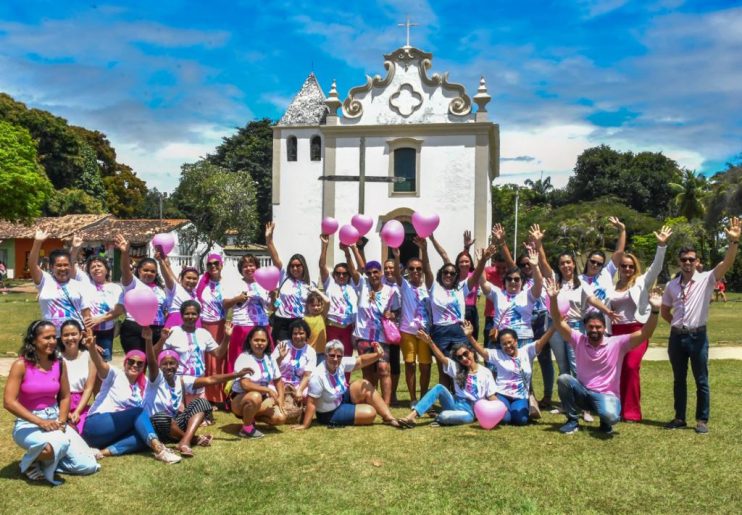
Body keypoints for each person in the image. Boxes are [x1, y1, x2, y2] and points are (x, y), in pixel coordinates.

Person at [546, 278, 662, 435]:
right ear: (585, 327)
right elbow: (559, 322)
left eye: (598, 327)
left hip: (606, 395)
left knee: (611, 416)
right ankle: (572, 420)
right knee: (564, 379)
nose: (594, 330)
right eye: (591, 327)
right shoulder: (579, 340)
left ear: (604, 328)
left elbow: (645, 333)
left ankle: (605, 423)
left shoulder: (617, 343)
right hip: (583, 393)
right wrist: (553, 299)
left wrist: (655, 310)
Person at [661, 217, 740, 434]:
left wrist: (733, 243)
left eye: (691, 260)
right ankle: (679, 418)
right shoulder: (671, 286)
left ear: (697, 262)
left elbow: (727, 264)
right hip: (677, 337)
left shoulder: (707, 279)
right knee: (679, 379)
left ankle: (702, 420)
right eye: (684, 259)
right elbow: (666, 311)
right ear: (679, 261)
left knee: (701, 380)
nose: (687, 263)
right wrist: (677, 325)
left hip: (698, 337)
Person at [4, 320, 99, 484]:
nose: (52, 342)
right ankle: (30, 462)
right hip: (28, 422)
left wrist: (62, 420)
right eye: (46, 338)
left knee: (88, 465)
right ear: (34, 340)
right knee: (52, 447)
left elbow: (65, 395)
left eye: (54, 337)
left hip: (55, 419)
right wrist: (41, 422)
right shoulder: (21, 365)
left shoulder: (59, 364)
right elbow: (9, 402)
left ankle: (50, 458)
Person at [143, 331, 252, 457]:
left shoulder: (181, 380)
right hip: (156, 426)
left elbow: (211, 380)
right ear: (160, 366)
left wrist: (236, 374)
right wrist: (148, 340)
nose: (168, 367)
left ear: (177, 365)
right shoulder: (156, 379)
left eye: (172, 363)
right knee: (160, 416)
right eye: (164, 364)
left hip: (174, 426)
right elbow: (151, 362)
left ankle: (184, 441)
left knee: (202, 402)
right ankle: (192, 439)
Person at [83, 328, 181, 463]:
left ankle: (101, 453)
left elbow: (152, 361)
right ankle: (160, 451)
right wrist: (92, 349)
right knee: (137, 413)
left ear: (143, 367)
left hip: (117, 433)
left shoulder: (145, 384)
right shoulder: (115, 375)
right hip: (96, 426)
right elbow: (100, 365)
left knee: (144, 433)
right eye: (131, 361)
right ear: (125, 362)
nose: (135, 365)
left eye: (140, 363)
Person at [534, 224, 618, 379]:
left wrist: (607, 311)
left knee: (576, 365)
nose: (566, 265)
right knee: (563, 366)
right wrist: (538, 243)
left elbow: (592, 299)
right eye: (562, 263)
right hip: (556, 327)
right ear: (559, 266)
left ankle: (580, 400)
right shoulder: (554, 280)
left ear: (573, 264)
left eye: (568, 262)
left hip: (575, 327)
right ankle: (567, 402)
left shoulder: (581, 282)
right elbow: (544, 263)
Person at [608, 225, 672, 422]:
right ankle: (616, 409)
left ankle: (632, 412)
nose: (627, 269)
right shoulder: (612, 286)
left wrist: (661, 246)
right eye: (623, 266)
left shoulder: (642, 281)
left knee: (631, 366)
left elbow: (657, 267)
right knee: (617, 370)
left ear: (635, 268)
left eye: (630, 266)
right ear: (619, 268)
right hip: (616, 333)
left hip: (637, 330)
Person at [492, 223, 553, 408]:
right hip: (521, 321)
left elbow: (542, 268)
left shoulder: (539, 274)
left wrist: (538, 245)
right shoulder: (518, 279)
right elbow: (510, 263)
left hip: (541, 316)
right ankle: (528, 395)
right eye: (523, 264)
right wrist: (502, 242)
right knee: (519, 360)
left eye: (529, 264)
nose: (526, 266)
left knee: (542, 357)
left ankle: (547, 396)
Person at [294, 339, 411, 429]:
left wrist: (378, 356)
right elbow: (311, 403)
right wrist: (305, 425)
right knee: (371, 413)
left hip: (341, 396)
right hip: (330, 412)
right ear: (325, 355)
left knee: (363, 384)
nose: (335, 359)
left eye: (339, 356)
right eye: (332, 355)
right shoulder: (317, 376)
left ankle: (389, 418)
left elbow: (360, 361)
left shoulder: (341, 362)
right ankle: (358, 409)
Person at [425, 242, 495, 389]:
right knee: (444, 369)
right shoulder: (434, 288)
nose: (449, 275)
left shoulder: (461, 288)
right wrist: (423, 248)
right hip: (440, 332)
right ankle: (446, 402)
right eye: (446, 272)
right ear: (441, 274)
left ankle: (462, 397)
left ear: (456, 276)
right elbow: (427, 269)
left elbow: (475, 276)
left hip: (459, 330)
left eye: (452, 273)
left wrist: (483, 260)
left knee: (462, 367)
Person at [399, 329, 497, 427]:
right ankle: (411, 417)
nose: (464, 358)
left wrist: (498, 408)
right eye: (460, 357)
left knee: (444, 416)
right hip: (454, 403)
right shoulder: (457, 368)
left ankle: (440, 418)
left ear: (471, 352)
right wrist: (430, 342)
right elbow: (441, 358)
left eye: (465, 354)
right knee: (439, 388)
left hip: (470, 411)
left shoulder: (486, 372)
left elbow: (491, 395)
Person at [467, 323, 556, 425]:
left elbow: (541, 342)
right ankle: (500, 408)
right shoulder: (498, 355)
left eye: (510, 342)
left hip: (520, 396)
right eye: (504, 344)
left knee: (521, 420)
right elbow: (482, 351)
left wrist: (554, 327)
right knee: (505, 419)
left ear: (516, 341)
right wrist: (469, 336)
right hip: (502, 394)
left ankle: (515, 410)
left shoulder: (527, 351)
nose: (508, 346)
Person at [347, 246, 398, 406]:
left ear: (381, 272)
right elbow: (353, 270)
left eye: (376, 272)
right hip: (363, 336)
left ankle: (386, 404)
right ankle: (372, 402)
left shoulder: (390, 291)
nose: (372, 275)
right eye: (369, 273)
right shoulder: (362, 285)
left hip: (382, 337)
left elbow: (398, 310)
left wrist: (392, 315)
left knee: (384, 369)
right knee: (368, 372)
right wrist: (347, 251)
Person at [158, 301, 230, 404]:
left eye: (194, 314)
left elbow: (218, 353)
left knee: (198, 416)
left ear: (198, 315)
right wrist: (162, 340)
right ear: (182, 315)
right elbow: (158, 354)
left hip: (199, 383)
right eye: (187, 314)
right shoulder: (173, 332)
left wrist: (227, 337)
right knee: (179, 417)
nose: (190, 316)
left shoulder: (203, 333)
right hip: (178, 382)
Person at [393, 237, 434, 407]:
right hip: (407, 331)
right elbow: (396, 274)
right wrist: (396, 257)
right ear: (407, 271)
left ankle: (423, 397)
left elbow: (430, 272)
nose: (415, 271)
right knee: (409, 364)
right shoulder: (404, 285)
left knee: (425, 366)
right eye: (411, 269)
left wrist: (424, 250)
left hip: (424, 332)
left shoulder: (429, 286)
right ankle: (412, 398)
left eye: (418, 268)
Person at [114, 234, 172, 353]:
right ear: (139, 270)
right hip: (134, 328)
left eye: (152, 271)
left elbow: (164, 310)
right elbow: (125, 270)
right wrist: (125, 253)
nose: (149, 273)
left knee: (153, 364)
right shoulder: (132, 284)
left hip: (157, 329)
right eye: (146, 270)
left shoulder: (160, 290)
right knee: (136, 362)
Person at [29, 230, 91, 334]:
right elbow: (32, 265)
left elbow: (87, 316)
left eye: (66, 265)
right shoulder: (45, 281)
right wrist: (37, 242)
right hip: (51, 336)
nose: (63, 268)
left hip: (75, 336)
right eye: (59, 265)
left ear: (71, 266)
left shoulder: (79, 285)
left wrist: (90, 339)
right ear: (51, 267)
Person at [229, 326, 287, 438]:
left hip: (261, 399)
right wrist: (267, 390)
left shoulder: (270, 358)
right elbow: (245, 385)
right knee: (255, 396)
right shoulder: (244, 358)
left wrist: (281, 398)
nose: (259, 343)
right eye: (256, 340)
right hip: (241, 399)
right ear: (250, 340)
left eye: (263, 340)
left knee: (281, 418)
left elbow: (278, 380)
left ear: (267, 342)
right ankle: (246, 429)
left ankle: (251, 419)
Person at [223, 254, 271, 372]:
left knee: (262, 359)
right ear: (241, 269)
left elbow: (271, 306)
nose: (249, 268)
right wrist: (237, 299)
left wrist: (274, 296)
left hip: (261, 326)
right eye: (245, 266)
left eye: (251, 265)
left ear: (257, 267)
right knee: (238, 359)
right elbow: (225, 304)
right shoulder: (234, 284)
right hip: (241, 327)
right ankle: (235, 387)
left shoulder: (264, 284)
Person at [74, 252, 124, 362]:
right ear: (89, 272)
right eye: (92, 267)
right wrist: (75, 248)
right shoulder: (85, 283)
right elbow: (71, 265)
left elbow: (120, 310)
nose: (96, 268)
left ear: (107, 269)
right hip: (85, 331)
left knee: (103, 363)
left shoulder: (115, 288)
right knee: (85, 362)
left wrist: (99, 319)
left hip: (106, 333)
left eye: (99, 266)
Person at [430, 230, 480, 340]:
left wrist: (467, 249)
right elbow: (444, 255)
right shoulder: (452, 276)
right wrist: (432, 239)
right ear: (457, 264)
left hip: (471, 310)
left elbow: (466, 259)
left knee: (472, 340)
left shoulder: (473, 275)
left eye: (467, 262)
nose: (464, 264)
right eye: (461, 262)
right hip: (455, 310)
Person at [266, 222, 311, 342]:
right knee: (282, 353)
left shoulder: (308, 285)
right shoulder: (284, 277)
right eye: (292, 266)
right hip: (281, 322)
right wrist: (269, 240)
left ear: (303, 267)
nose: (295, 268)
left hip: (299, 322)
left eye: (298, 266)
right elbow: (275, 259)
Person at [319, 234, 359, 364]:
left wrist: (348, 252)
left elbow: (356, 270)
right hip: (332, 327)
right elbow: (322, 266)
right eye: (338, 273)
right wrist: (325, 246)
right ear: (334, 275)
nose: (341, 276)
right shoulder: (330, 283)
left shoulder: (353, 286)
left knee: (346, 360)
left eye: (344, 274)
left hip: (348, 329)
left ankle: (345, 384)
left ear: (348, 275)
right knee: (331, 358)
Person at [195, 253, 228, 406]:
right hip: (204, 324)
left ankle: (220, 396)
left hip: (220, 324)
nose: (213, 266)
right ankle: (208, 396)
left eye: (216, 263)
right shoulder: (202, 284)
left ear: (221, 265)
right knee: (207, 361)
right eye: (210, 264)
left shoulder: (227, 283)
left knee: (220, 359)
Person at [271, 319, 317, 423]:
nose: (298, 336)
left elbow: (307, 375)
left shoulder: (310, 351)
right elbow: (271, 368)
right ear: (291, 334)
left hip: (298, 384)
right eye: (295, 333)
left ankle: (301, 412)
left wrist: (300, 390)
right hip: (278, 382)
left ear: (306, 334)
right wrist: (280, 358)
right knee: (272, 394)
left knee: (309, 394)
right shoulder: (283, 345)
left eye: (301, 333)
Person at [579, 217, 627, 307]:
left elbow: (619, 252)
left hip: (606, 318)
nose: (595, 265)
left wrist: (622, 230)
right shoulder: (578, 280)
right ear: (587, 260)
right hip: (587, 319)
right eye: (593, 261)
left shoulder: (606, 273)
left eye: (599, 264)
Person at [59, 320, 96, 434]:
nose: (70, 338)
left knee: (81, 432)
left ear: (81, 335)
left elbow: (88, 388)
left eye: (74, 334)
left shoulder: (90, 356)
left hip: (80, 404)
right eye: (66, 335)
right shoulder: (56, 357)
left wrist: (78, 411)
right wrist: (64, 411)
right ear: (61, 337)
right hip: (58, 402)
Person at [157, 252, 200, 329]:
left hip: (195, 326)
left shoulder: (196, 293)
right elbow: (167, 277)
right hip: (176, 324)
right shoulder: (175, 289)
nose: (191, 281)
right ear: (182, 279)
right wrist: (161, 262)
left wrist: (168, 266)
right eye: (188, 278)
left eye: (194, 279)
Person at [382, 257, 403, 405]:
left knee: (394, 362)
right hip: (379, 329)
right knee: (381, 363)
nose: (389, 270)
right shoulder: (379, 283)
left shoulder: (402, 285)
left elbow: (403, 308)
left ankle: (393, 393)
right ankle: (381, 394)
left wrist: (394, 314)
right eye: (387, 268)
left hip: (395, 329)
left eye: (392, 267)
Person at [303, 289, 328, 363]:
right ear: (307, 306)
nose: (316, 307)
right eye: (313, 305)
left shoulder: (322, 315)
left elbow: (327, 301)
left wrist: (316, 290)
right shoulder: (304, 318)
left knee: (320, 373)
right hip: (308, 352)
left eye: (318, 305)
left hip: (321, 352)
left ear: (322, 305)